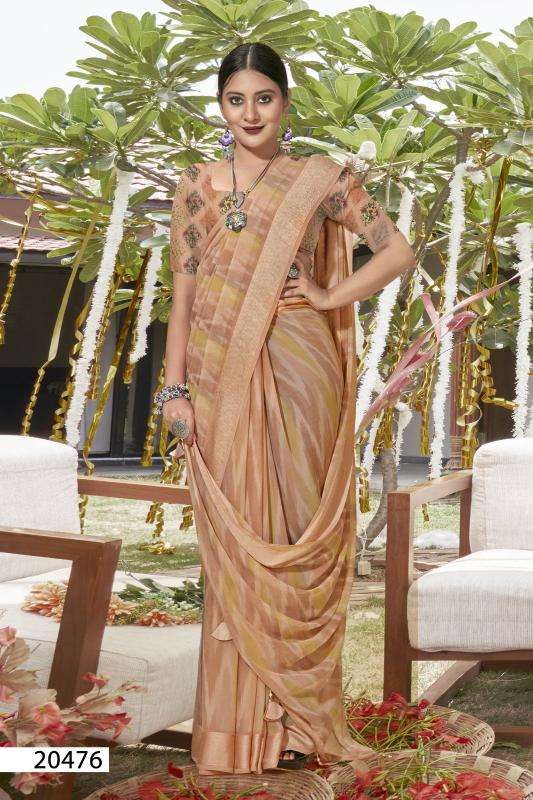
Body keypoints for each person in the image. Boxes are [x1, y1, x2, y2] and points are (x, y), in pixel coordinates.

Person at [162, 42, 416, 776]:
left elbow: (395, 250)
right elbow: (183, 294)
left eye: (264, 98)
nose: (250, 113)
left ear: (285, 102)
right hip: (218, 379)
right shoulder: (195, 186)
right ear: (220, 107)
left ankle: (302, 727)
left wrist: (332, 296)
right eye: (235, 100)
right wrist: (174, 390)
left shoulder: (320, 179)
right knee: (239, 545)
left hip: (302, 369)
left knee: (299, 537)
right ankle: (240, 735)